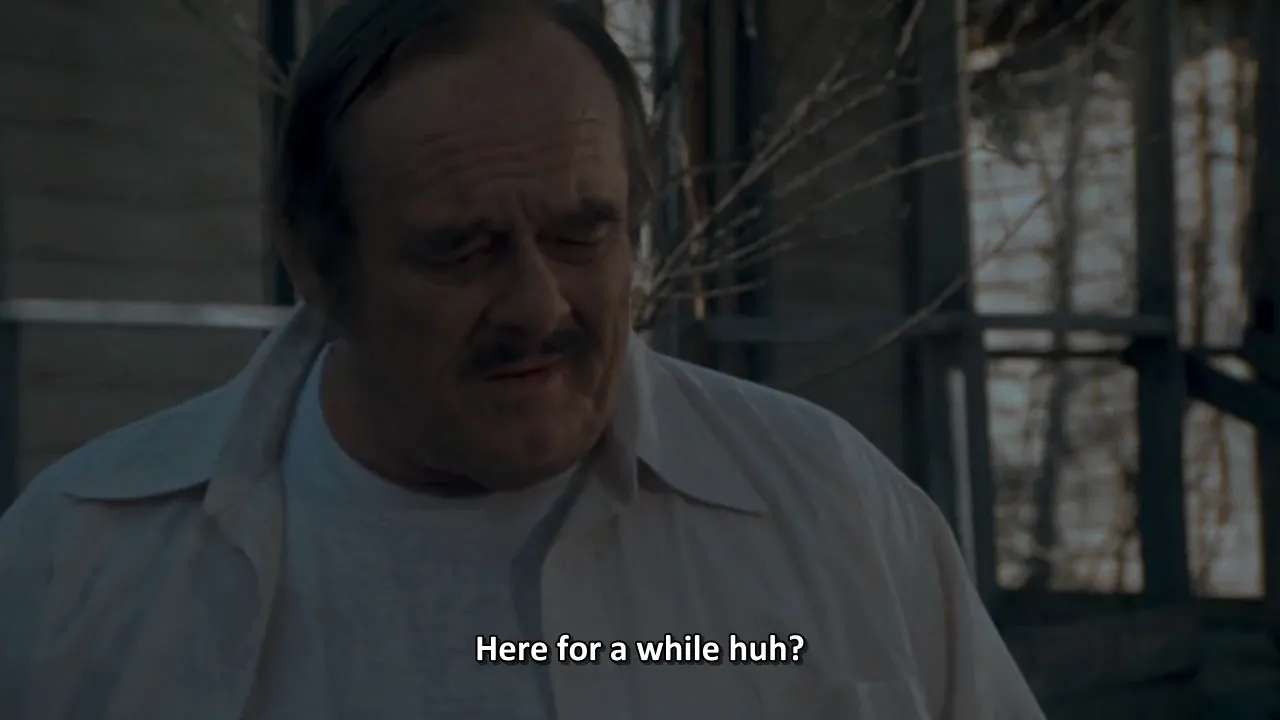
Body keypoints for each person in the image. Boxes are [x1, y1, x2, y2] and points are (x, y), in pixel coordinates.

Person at [0, 0, 1044, 718]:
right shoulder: (77, 569)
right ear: (314, 262)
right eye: (462, 250)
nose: (538, 305)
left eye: (583, 233)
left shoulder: (829, 509)